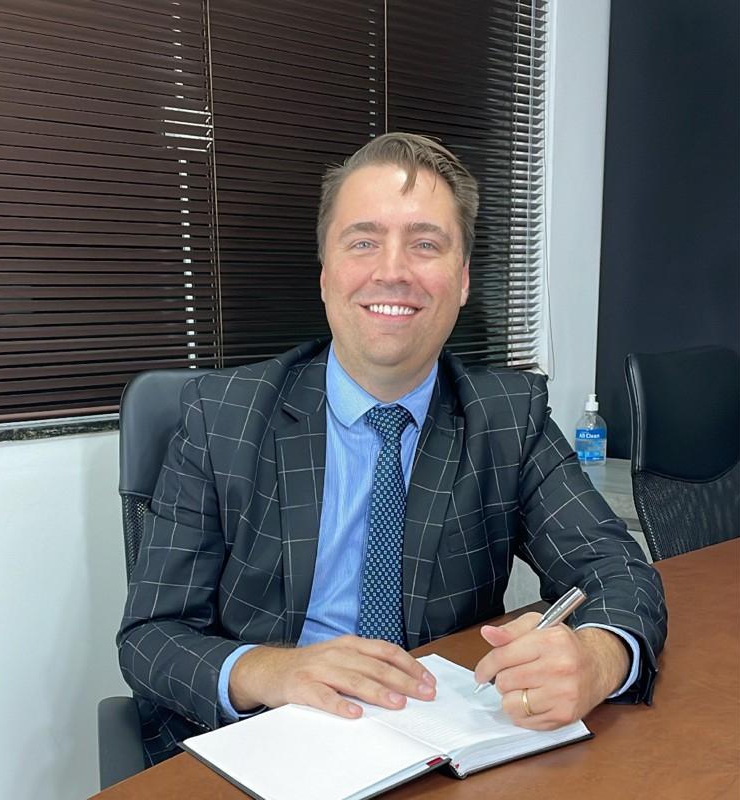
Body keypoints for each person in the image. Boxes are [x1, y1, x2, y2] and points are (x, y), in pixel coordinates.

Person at [118, 133, 667, 765]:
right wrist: (270, 671)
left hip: (442, 741)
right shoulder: (224, 416)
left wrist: (598, 657)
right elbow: (150, 636)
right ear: (325, 274)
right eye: (363, 242)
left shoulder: (506, 417)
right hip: (266, 741)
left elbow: (618, 571)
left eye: (426, 244)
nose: (393, 271)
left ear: (462, 280)